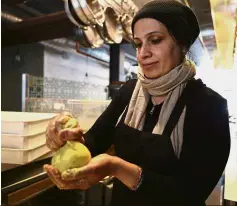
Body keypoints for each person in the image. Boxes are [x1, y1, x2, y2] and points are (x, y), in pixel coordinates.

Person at [44, 1, 231, 205]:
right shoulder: (129, 91)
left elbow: (190, 193)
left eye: (155, 40)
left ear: (183, 44)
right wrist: (68, 137)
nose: (143, 53)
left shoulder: (209, 106)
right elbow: (95, 140)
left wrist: (117, 168)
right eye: (139, 43)